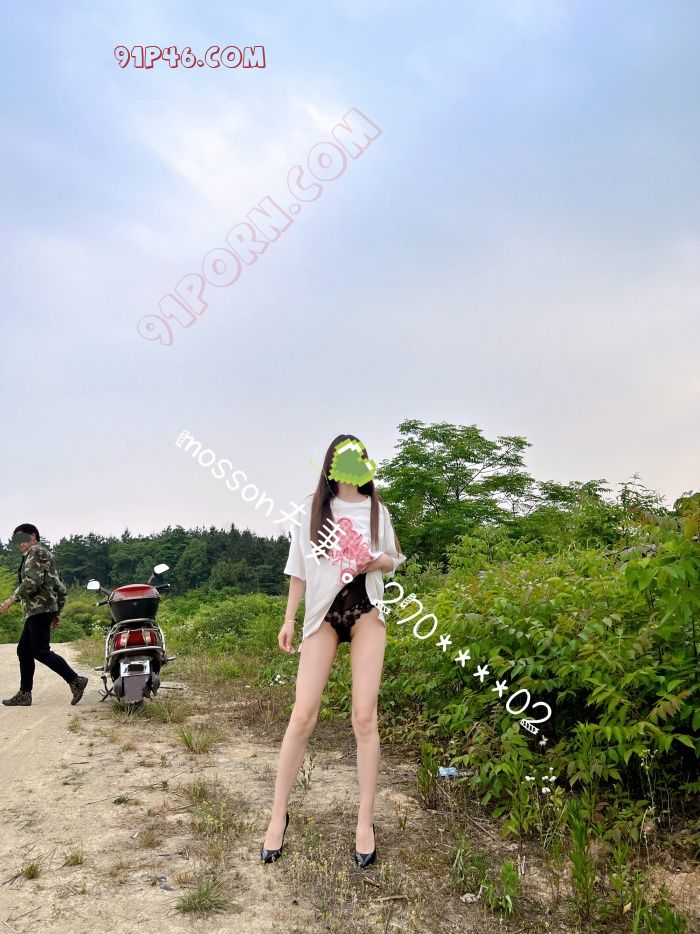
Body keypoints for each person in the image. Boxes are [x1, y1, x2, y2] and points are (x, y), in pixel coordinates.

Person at [260, 435, 406, 868]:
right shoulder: (312, 509)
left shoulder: (377, 510)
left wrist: (373, 561)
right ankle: (277, 814)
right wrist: (289, 619)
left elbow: (394, 559)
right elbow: (298, 570)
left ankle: (365, 821)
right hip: (322, 616)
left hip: (366, 611)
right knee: (303, 714)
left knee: (364, 717)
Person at [0, 523, 88, 707]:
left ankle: (75, 680)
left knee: (40, 651)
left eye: (22, 538)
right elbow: (59, 586)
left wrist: (11, 599)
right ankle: (25, 693)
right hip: (39, 610)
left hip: (40, 609)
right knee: (24, 650)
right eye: (16, 540)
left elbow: (32, 582)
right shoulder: (38, 554)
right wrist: (57, 612)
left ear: (33, 536)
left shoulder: (37, 552)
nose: (19, 543)